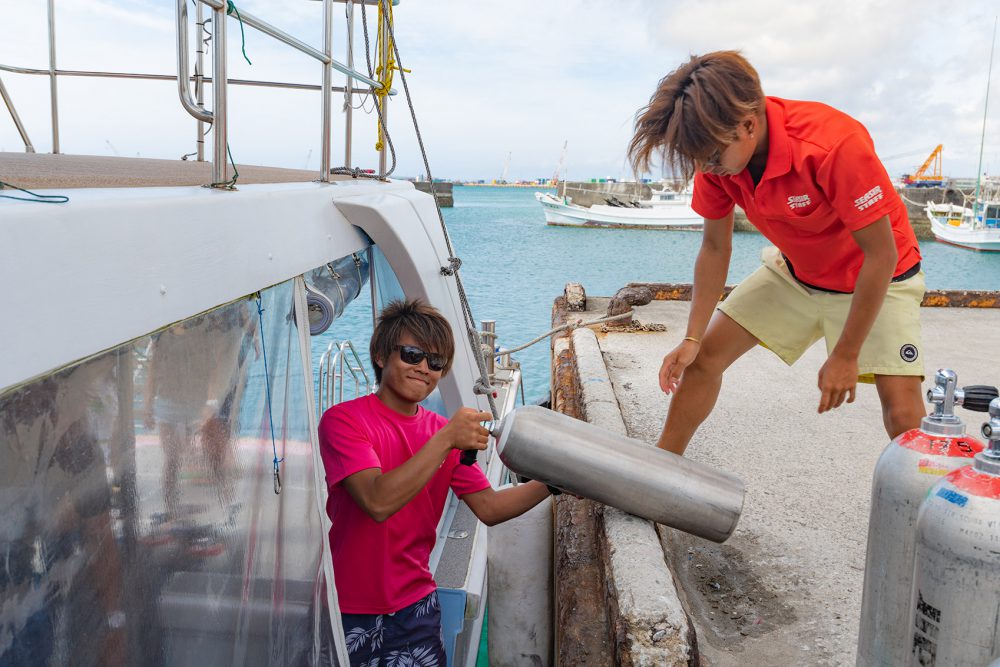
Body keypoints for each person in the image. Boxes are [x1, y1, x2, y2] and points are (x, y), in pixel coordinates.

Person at [627, 51, 926, 456]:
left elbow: (882, 255)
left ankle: (928, 505)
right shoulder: (716, 160)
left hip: (880, 277)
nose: (707, 169)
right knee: (701, 359)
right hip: (797, 274)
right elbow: (715, 247)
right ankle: (659, 466)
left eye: (712, 157)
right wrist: (692, 336)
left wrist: (845, 355)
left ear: (748, 124)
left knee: (903, 408)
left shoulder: (833, 144)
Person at [318, 299, 553, 665]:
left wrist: (553, 482)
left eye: (436, 362)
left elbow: (490, 507)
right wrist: (445, 441)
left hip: (417, 607)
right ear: (381, 356)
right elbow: (376, 501)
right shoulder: (344, 421)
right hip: (348, 606)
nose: (424, 368)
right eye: (412, 355)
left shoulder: (442, 432)